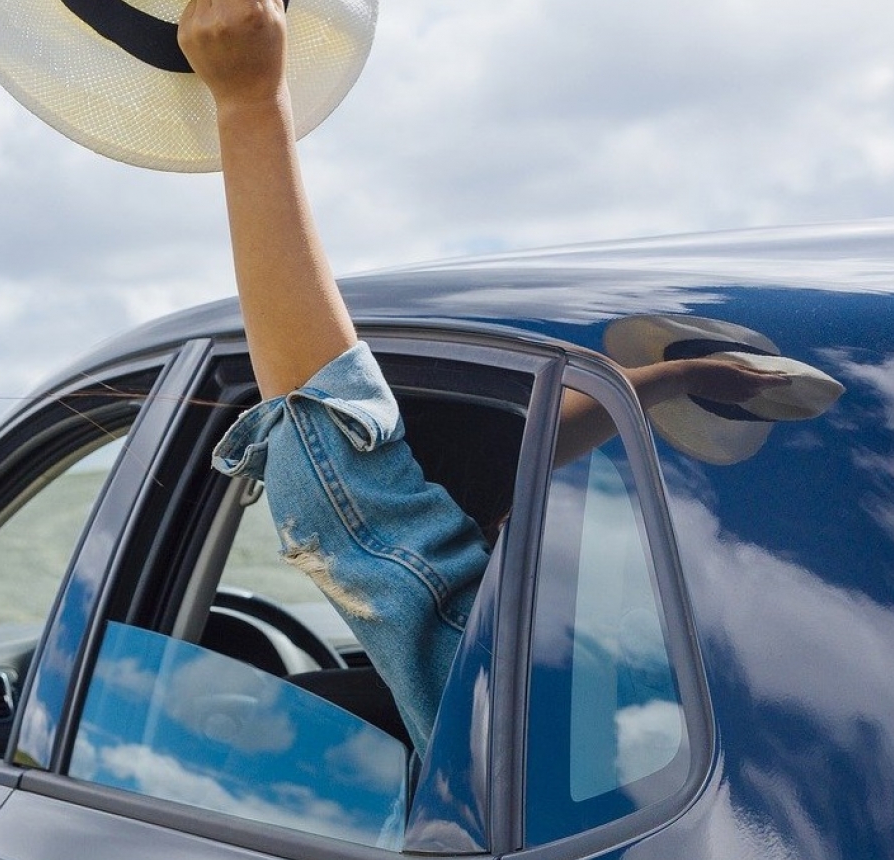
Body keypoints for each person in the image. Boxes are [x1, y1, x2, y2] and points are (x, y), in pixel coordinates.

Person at [177, 0, 786, 753]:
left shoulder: (508, 697)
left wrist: (248, 106)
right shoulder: (739, 675)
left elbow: (351, 501)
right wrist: (676, 377)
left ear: (481, 525)